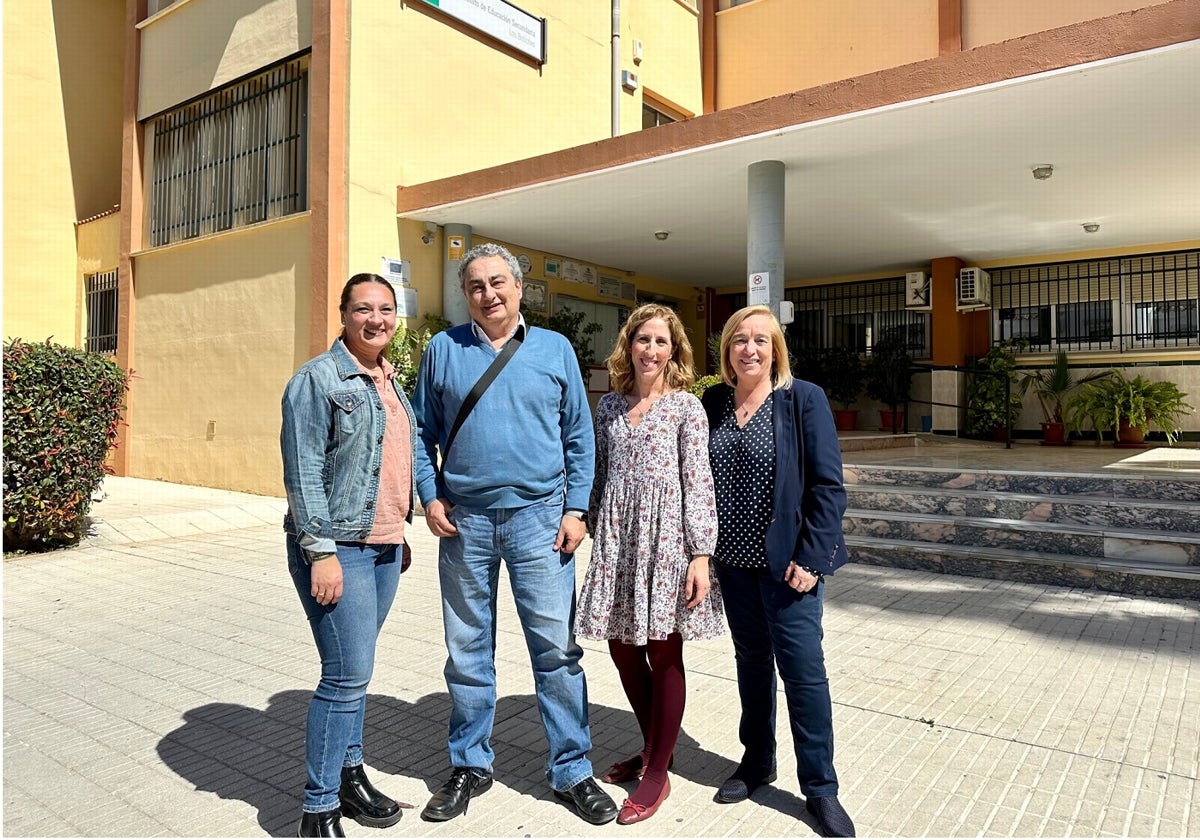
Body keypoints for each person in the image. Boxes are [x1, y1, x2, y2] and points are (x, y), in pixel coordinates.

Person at [411, 243, 618, 826]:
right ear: (466, 294)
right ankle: (469, 765)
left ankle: (572, 770)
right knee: (468, 651)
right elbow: (420, 432)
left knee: (556, 652)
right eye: (475, 285)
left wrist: (578, 510)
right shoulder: (442, 350)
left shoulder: (554, 349)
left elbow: (580, 436)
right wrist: (429, 495)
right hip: (466, 523)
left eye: (497, 282)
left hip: (541, 523)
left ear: (520, 287)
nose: (487, 294)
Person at [700, 305, 856, 838]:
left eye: (760, 340)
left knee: (804, 675)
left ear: (776, 349)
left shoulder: (801, 399)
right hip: (734, 567)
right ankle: (757, 761)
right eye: (739, 340)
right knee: (750, 665)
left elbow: (829, 488)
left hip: (790, 568)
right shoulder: (714, 400)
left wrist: (812, 559)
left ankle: (820, 789)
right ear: (727, 350)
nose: (750, 349)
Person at [281, 273, 418, 837]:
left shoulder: (387, 377)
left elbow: (388, 465)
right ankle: (318, 808)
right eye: (364, 308)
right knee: (343, 677)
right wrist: (320, 553)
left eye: (386, 309)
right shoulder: (317, 379)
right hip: (339, 549)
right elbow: (304, 473)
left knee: (356, 675)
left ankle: (350, 776)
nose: (376, 319)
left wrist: (397, 529)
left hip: (382, 547)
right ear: (343, 314)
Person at [575, 303, 723, 826]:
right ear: (629, 345)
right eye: (643, 340)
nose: (651, 351)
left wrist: (700, 554)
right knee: (620, 648)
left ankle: (657, 771)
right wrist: (581, 522)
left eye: (661, 342)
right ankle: (655, 745)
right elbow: (597, 472)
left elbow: (698, 481)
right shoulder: (609, 407)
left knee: (663, 652)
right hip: (618, 539)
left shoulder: (687, 408)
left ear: (673, 350)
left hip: (668, 543)